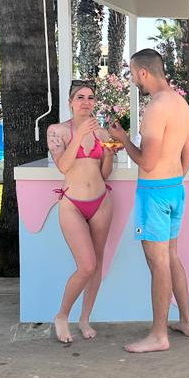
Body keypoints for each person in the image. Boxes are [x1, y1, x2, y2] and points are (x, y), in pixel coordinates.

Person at [109, 48, 189, 353]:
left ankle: (159, 335)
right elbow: (187, 157)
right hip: (175, 189)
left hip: (154, 193)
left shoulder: (156, 108)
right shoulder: (181, 104)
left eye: (132, 74)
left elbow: (146, 162)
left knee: (158, 263)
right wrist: (172, 178)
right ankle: (186, 321)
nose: (133, 79)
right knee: (171, 257)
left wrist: (122, 140)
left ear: (143, 72)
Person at [46, 80, 119, 344]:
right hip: (73, 204)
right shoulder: (57, 131)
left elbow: (104, 173)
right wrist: (78, 136)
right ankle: (62, 315)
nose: (86, 102)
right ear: (70, 101)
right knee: (86, 265)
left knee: (96, 265)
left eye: (90, 97)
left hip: (101, 201)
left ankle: (85, 318)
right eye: (80, 97)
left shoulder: (100, 133)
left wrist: (110, 150)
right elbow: (64, 167)